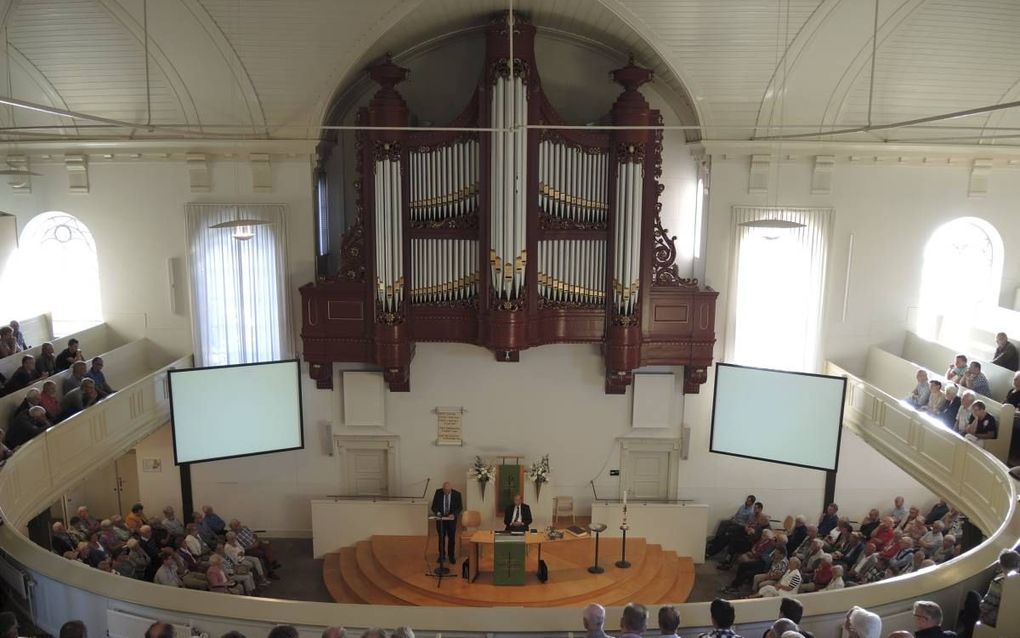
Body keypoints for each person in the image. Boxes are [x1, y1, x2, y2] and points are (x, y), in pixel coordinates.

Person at [978, 549, 1020, 627]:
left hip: (996, 622)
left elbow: (985, 607)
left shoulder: (999, 582)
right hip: (1016, 624)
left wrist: (981, 604)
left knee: (975, 598)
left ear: (1001, 565)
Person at [430, 481, 462, 563]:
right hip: (441, 520)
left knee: (451, 538)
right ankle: (442, 556)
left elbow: (460, 507)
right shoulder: (438, 492)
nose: (446, 492)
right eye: (444, 490)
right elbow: (434, 506)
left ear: (451, 489)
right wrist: (437, 512)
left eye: (448, 490)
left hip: (451, 520)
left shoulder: (457, 494)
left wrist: (454, 514)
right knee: (441, 538)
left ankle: (451, 556)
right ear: (442, 488)